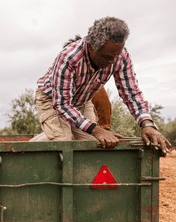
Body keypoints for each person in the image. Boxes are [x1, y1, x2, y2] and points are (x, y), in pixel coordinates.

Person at [35, 16, 171, 153]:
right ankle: (45, 138)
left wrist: (147, 123)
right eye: (107, 57)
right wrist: (96, 129)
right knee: (65, 144)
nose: (113, 61)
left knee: (94, 145)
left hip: (81, 101)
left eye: (116, 56)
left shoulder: (120, 56)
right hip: (52, 100)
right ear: (92, 46)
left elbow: (131, 93)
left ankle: (49, 134)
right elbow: (62, 105)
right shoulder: (69, 58)